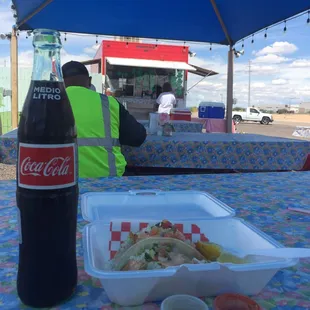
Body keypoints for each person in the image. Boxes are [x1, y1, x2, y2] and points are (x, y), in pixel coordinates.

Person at [62, 61, 146, 178]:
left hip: (63, 180)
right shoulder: (108, 102)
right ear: (90, 80)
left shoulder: (50, 103)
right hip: (108, 182)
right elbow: (138, 137)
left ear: (60, 81)